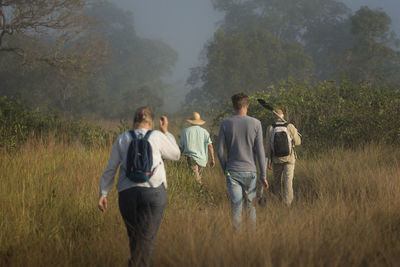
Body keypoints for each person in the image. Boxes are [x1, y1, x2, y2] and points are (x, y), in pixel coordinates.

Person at [98, 107, 180, 267]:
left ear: (134, 122)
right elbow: (176, 155)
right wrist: (165, 132)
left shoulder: (122, 138)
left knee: (135, 238)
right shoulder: (157, 136)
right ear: (151, 123)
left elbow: (111, 168)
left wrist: (103, 193)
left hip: (127, 193)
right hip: (154, 192)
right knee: (148, 240)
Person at [217, 93, 268, 230]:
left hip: (232, 172)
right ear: (247, 105)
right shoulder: (256, 123)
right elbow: (260, 152)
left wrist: (225, 169)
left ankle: (236, 239)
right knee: (250, 206)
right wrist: (263, 175)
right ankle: (251, 238)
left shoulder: (225, 123)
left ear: (233, 106)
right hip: (251, 172)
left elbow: (220, 152)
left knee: (236, 206)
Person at [266, 109, 301, 207]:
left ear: (274, 117)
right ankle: (287, 204)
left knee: (277, 182)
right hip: (289, 159)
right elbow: (298, 142)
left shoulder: (270, 128)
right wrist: (296, 133)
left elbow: (268, 146)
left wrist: (269, 160)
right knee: (288, 181)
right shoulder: (290, 126)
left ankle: (277, 202)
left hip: (276, 160)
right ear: (283, 116)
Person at [179, 112, 215, 183]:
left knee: (196, 180)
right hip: (202, 159)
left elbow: (181, 147)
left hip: (191, 158)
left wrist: (177, 157)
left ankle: (201, 192)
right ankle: (200, 192)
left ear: (191, 121)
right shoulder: (205, 132)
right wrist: (212, 159)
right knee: (198, 178)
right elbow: (210, 146)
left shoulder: (185, 131)